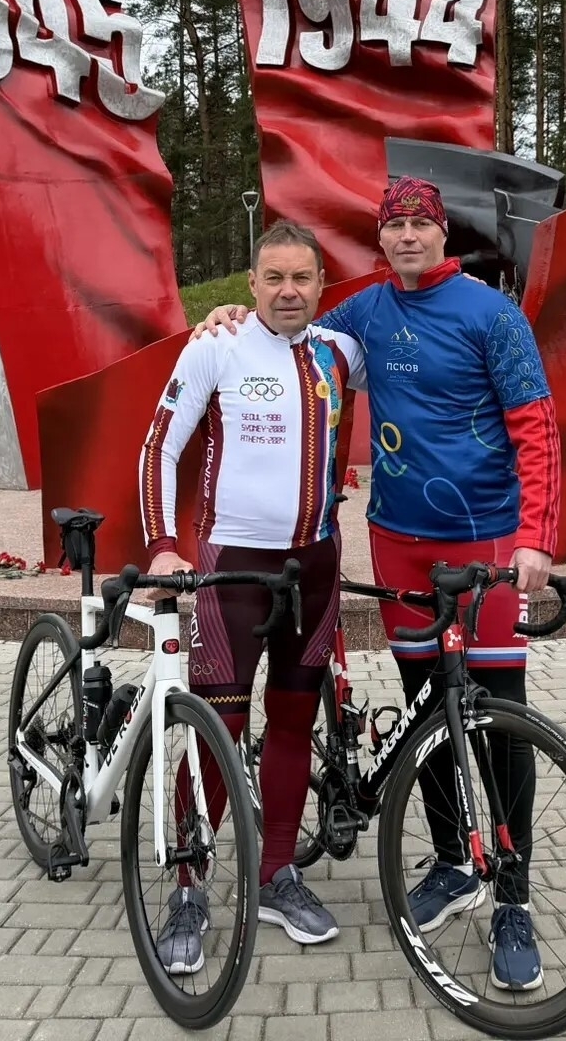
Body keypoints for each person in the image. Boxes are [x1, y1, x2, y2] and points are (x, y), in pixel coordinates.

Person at [199, 177, 560, 992]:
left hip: (486, 543)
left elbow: (537, 428)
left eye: (420, 224)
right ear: (382, 239)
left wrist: (536, 539)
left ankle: (512, 895)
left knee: (502, 718)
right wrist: (229, 317)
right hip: (397, 543)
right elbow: (286, 327)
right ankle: (451, 862)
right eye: (393, 225)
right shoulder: (363, 312)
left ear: (443, 233)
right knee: (428, 708)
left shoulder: (492, 314)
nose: (406, 237)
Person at [138, 219, 365, 974]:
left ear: (322, 284)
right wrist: (162, 544)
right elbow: (159, 447)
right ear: (251, 284)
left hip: (315, 566)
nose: (288, 291)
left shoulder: (342, 351)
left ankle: (275, 876)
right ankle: (188, 887)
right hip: (232, 568)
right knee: (220, 728)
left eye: (302, 277)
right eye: (274, 278)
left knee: (295, 721)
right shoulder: (218, 344)